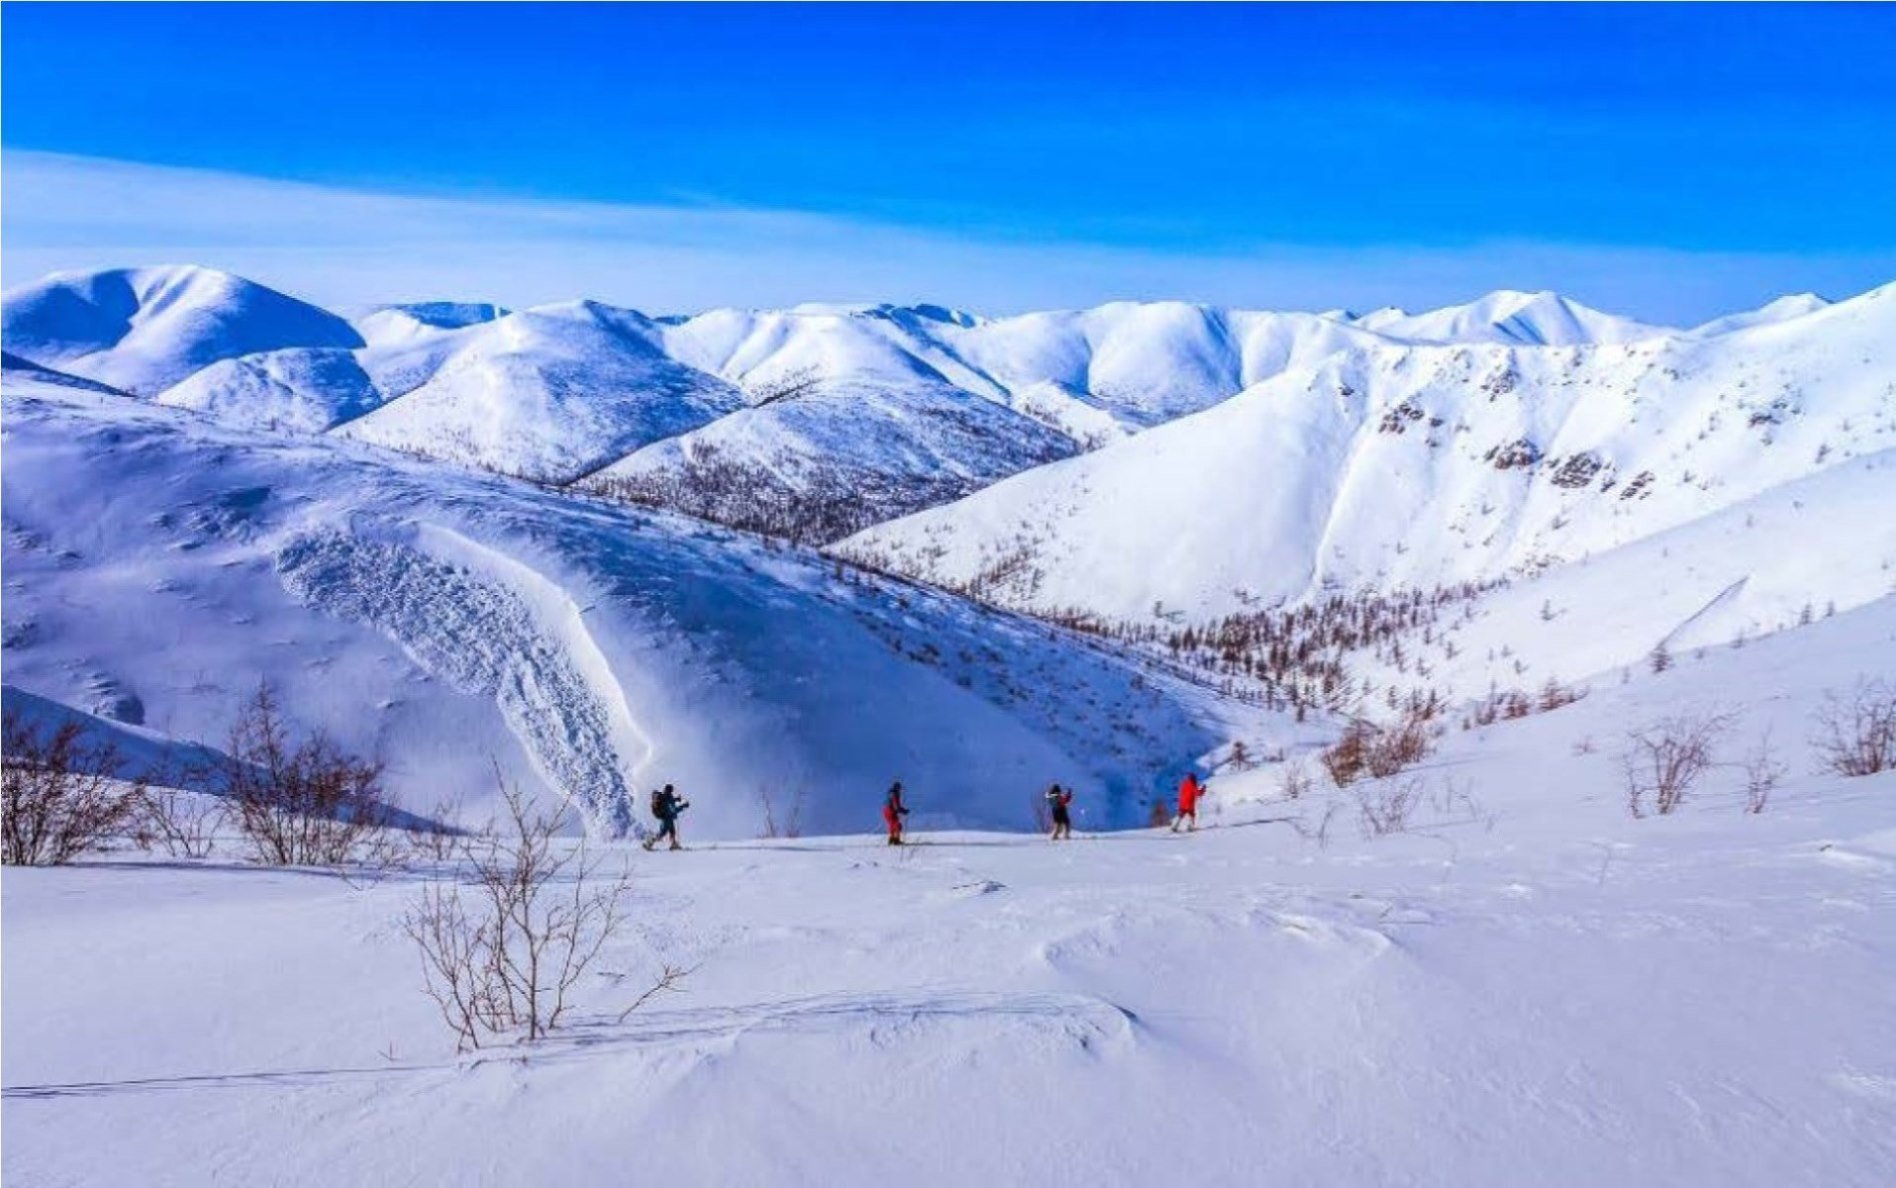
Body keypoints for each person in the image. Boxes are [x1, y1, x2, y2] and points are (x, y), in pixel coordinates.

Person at [642, 783, 688, 851]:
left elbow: (671, 802)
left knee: (672, 832)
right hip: (667, 818)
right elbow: (673, 810)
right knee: (662, 834)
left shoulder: (665, 797)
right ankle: (648, 843)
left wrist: (677, 799)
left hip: (667, 818)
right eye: (671, 790)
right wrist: (683, 806)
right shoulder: (667, 798)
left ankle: (674, 844)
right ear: (670, 790)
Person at [883, 781, 910, 846]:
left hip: (886, 810)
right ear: (897, 788)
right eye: (900, 789)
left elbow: (895, 805)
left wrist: (902, 810)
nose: (900, 790)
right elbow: (896, 806)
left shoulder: (891, 793)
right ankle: (896, 841)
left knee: (892, 825)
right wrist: (904, 811)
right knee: (897, 825)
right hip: (890, 811)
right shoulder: (895, 794)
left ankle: (892, 840)